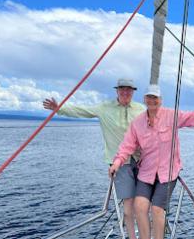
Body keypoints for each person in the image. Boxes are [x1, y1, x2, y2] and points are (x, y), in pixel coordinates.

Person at [108, 84, 194, 239]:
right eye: (149, 97)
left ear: (160, 100)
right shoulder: (137, 123)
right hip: (146, 173)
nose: (152, 100)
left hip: (167, 174)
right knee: (139, 206)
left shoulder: (171, 116)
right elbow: (126, 147)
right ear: (144, 99)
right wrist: (116, 163)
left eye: (155, 97)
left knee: (157, 209)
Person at [43, 78, 144, 239]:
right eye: (122, 89)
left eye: (129, 90)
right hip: (120, 164)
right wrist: (58, 109)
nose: (125, 92)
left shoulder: (140, 109)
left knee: (144, 203)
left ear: (133, 92)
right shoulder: (104, 108)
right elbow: (81, 111)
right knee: (128, 208)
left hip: (141, 160)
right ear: (117, 91)